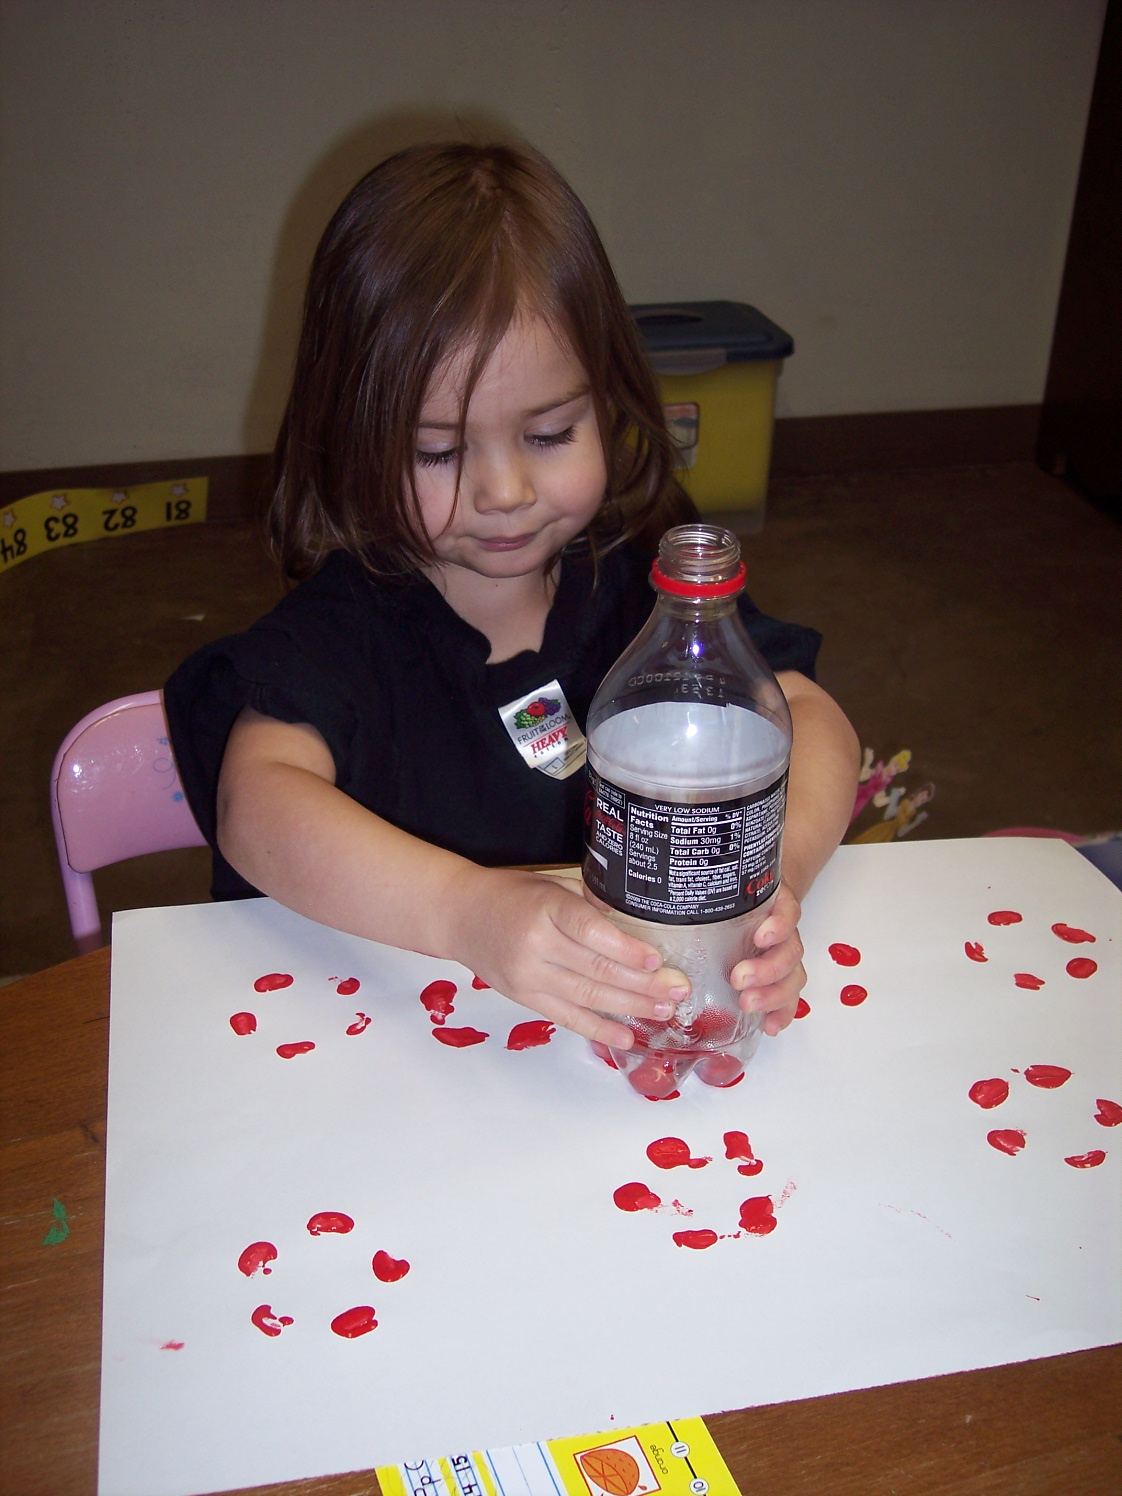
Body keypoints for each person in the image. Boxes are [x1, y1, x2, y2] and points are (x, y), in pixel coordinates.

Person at [165, 141, 859, 1057]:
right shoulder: (348, 627)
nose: (504, 492)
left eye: (548, 432)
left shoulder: (636, 587)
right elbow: (257, 807)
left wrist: (773, 883)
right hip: (402, 1058)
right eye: (438, 452)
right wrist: (470, 913)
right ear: (351, 438)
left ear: (607, 403)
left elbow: (811, 715)